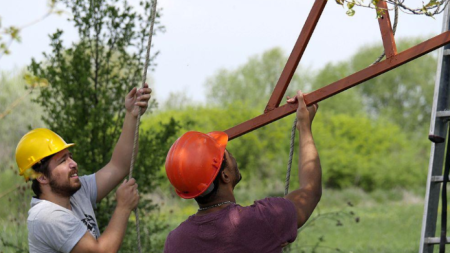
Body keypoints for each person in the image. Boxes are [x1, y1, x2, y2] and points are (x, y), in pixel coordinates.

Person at [164, 90, 322, 253]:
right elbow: (310, 191)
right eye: (226, 153)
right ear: (224, 175)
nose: (232, 155)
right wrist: (304, 126)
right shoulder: (261, 221)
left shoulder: (175, 242)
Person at [15, 84, 152, 253]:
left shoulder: (77, 193)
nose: (73, 163)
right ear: (42, 177)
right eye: (62, 161)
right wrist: (123, 207)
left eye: (70, 156)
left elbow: (119, 166)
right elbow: (100, 251)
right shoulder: (46, 216)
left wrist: (131, 115)